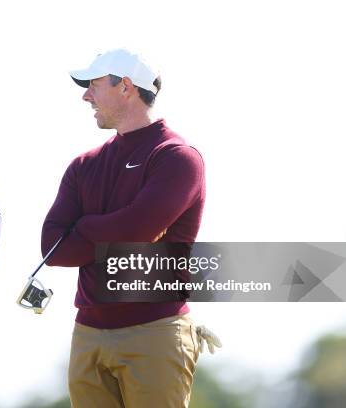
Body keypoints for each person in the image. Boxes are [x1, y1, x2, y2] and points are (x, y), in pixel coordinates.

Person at [41, 48, 219, 407]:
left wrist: (84, 226)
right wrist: (112, 230)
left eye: (93, 85)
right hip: (88, 332)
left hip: (155, 330)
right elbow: (53, 249)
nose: (85, 95)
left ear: (125, 87)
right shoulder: (84, 165)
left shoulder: (177, 157)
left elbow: (135, 233)